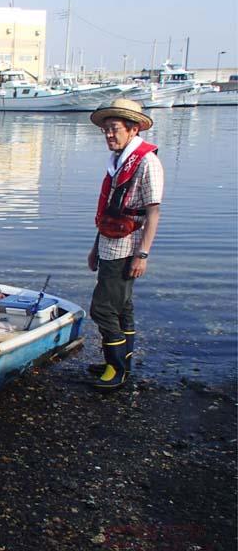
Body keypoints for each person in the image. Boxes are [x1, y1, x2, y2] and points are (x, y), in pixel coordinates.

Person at [86, 98, 164, 390]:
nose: (108, 134)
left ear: (133, 130)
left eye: (114, 129)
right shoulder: (118, 162)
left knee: (102, 309)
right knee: (122, 307)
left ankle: (116, 369)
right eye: (105, 129)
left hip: (127, 247)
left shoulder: (147, 162)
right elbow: (109, 209)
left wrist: (142, 254)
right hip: (109, 242)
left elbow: (153, 212)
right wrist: (95, 248)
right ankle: (120, 362)